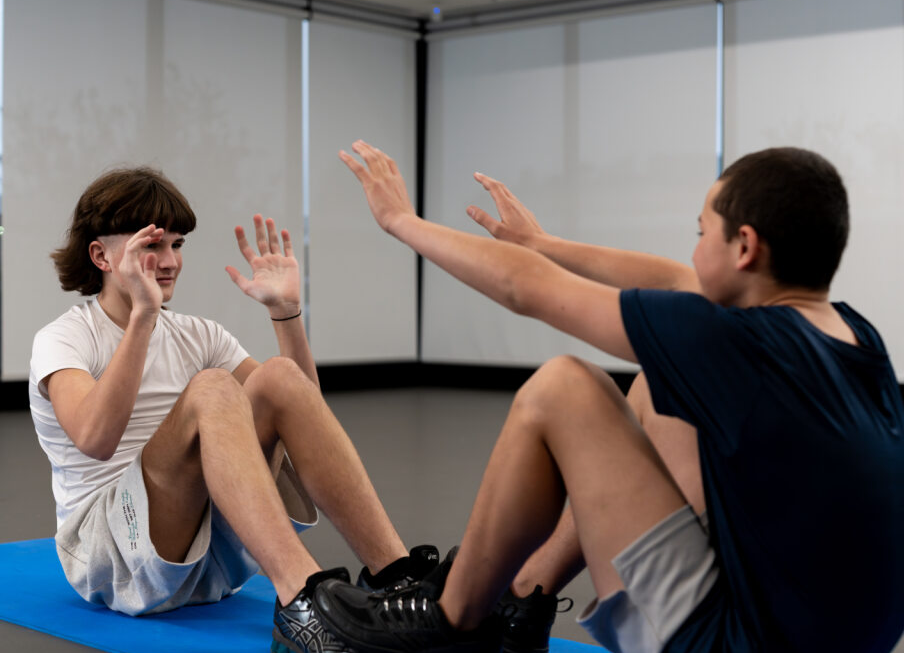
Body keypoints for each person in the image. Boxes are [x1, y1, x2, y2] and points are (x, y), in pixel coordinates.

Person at [311, 143, 904, 652]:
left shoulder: (738, 345)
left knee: (564, 387)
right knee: (655, 383)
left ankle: (450, 621)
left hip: (733, 641)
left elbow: (526, 289)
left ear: (745, 247)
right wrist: (542, 242)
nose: (695, 250)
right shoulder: (853, 337)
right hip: (819, 634)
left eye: (702, 233)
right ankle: (523, 601)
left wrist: (401, 222)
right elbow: (678, 280)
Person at [28, 167, 435, 653]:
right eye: (150, 246)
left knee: (279, 377)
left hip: (206, 555)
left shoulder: (199, 333)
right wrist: (143, 317)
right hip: (113, 557)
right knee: (214, 388)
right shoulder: (64, 339)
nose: (169, 261)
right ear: (101, 255)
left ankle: (394, 576)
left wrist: (285, 314)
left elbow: (302, 411)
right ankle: (302, 599)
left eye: (177, 245)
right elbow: (94, 441)